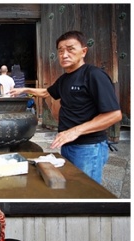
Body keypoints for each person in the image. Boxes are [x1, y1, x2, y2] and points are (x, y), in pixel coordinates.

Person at [10, 31, 122, 183]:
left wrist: (75, 131)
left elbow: (114, 115)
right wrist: (24, 90)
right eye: (61, 51)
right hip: (68, 145)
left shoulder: (94, 75)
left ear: (83, 51)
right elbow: (46, 92)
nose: (64, 55)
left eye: (70, 49)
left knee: (86, 191)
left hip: (89, 147)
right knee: (72, 187)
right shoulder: (64, 79)